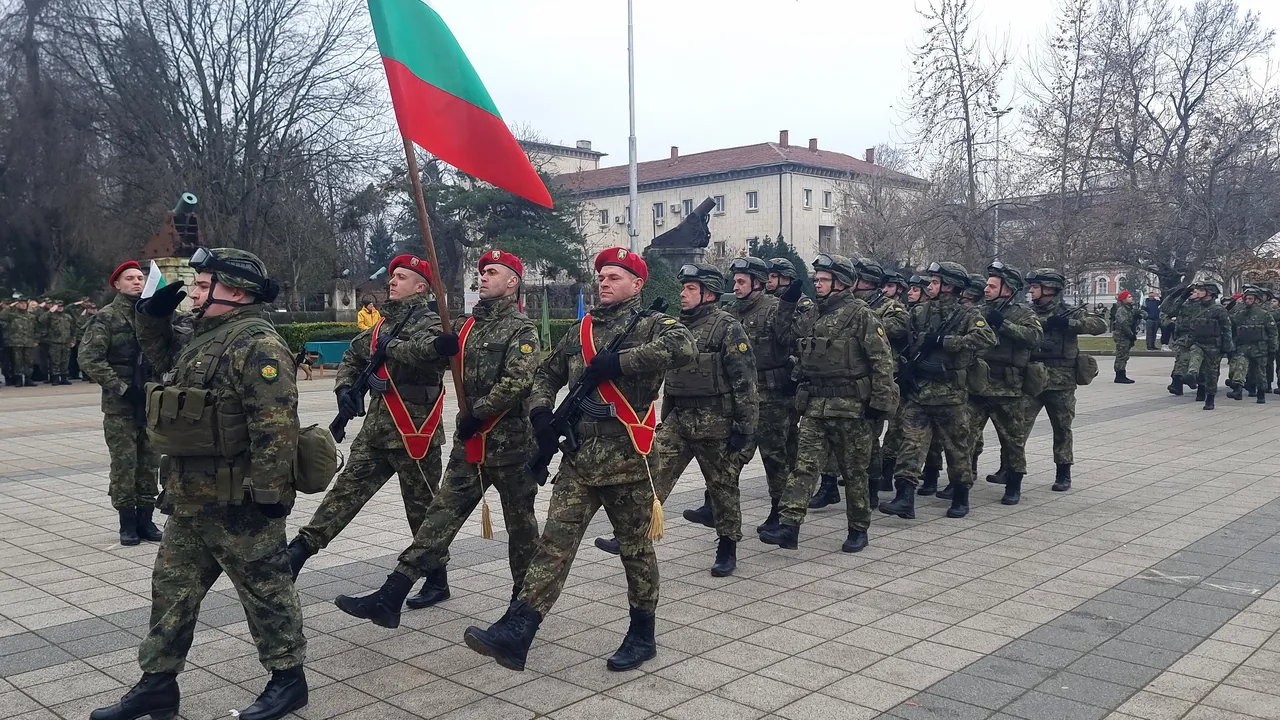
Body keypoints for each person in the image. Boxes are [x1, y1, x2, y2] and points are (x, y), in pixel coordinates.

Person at [92, 248, 308, 720]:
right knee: (171, 589)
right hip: (190, 495)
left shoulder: (258, 344)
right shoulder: (203, 336)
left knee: (265, 590)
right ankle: (157, 684)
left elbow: (275, 426)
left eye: (203, 283)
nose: (193, 290)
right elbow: (164, 355)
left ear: (236, 291)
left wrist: (272, 494)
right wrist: (151, 315)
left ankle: (288, 680)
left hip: (240, 497)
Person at [461, 247, 694, 673]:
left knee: (635, 550)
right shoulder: (581, 329)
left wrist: (619, 363)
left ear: (637, 285)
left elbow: (684, 346)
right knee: (554, 545)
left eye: (615, 277)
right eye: (602, 276)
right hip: (580, 458)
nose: (605, 282)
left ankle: (642, 634)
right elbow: (546, 375)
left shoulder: (652, 325)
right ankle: (520, 630)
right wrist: (541, 413)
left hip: (629, 459)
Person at [333, 250, 542, 628]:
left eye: (492, 272)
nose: (483, 277)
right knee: (437, 519)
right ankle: (392, 593)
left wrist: (478, 411)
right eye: (481, 272)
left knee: (521, 530)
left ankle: (520, 607)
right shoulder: (462, 326)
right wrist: (413, 347)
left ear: (512, 281)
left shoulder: (522, 330)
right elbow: (423, 351)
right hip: (470, 446)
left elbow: (519, 381)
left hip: (509, 445)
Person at [287, 254, 458, 608]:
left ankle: (437, 580)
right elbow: (354, 354)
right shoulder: (382, 326)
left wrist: (389, 347)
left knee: (423, 511)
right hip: (376, 432)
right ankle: (297, 554)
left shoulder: (432, 323)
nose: (391, 282)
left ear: (421, 286)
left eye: (400, 277)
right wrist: (345, 391)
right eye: (391, 276)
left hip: (415, 433)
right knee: (344, 495)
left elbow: (427, 353)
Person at [626, 263, 757, 576]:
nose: (682, 294)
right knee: (652, 475)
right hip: (679, 420)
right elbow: (671, 378)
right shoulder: (676, 328)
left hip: (717, 423)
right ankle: (632, 536)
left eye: (690, 289)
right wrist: (665, 417)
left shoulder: (727, 327)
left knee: (723, 489)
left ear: (708, 293)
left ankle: (727, 546)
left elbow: (745, 381)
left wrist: (745, 429)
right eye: (682, 288)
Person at [760, 255, 898, 550]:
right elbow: (785, 337)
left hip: (851, 408)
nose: (817, 284)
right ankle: (789, 526)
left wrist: (879, 405)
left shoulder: (861, 315)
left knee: (854, 472)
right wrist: (787, 303)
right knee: (804, 467)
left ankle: (858, 528)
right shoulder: (814, 314)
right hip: (815, 406)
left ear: (841, 283)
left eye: (823, 279)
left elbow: (882, 362)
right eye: (817, 279)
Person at [880, 262, 995, 521]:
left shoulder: (968, 315)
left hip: (950, 394)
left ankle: (961, 496)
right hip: (919, 392)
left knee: (957, 448)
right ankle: (905, 497)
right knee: (910, 445)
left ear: (949, 286)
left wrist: (946, 341)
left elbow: (987, 338)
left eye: (934, 282)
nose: (928, 286)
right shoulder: (919, 311)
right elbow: (902, 335)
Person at [720, 257, 809, 535]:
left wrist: (788, 307)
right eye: (734, 281)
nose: (735, 286)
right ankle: (719, 511)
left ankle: (778, 511)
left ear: (757, 284)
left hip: (772, 397)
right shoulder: (730, 312)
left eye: (741, 282)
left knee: (775, 457)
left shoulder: (774, 309)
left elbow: (790, 340)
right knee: (731, 456)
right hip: (741, 397)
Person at [79, 262, 163, 545]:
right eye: (130, 278)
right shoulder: (107, 318)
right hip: (121, 406)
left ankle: (146, 520)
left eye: (140, 278)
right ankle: (127, 522)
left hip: (152, 400)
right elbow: (90, 359)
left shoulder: (153, 315)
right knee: (125, 465)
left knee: (150, 463)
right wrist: (123, 388)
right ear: (117, 284)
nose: (137, 282)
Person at [1024, 269, 1107, 491]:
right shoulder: (1027, 312)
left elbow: (1100, 326)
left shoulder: (1068, 312)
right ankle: (1010, 469)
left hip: (1061, 381)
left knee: (1062, 428)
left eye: (1035, 286)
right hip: (1032, 378)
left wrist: (1068, 324)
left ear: (1049, 289)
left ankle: (1063, 473)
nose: (1031, 291)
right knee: (1017, 427)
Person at [971, 263, 1042, 505]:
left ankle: (1013, 485)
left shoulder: (1023, 313)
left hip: (1008, 387)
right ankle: (961, 481)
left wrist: (1003, 324)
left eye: (992, 285)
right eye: (986, 284)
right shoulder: (979, 310)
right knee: (965, 435)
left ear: (1007, 289)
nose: (986, 288)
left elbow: (1034, 338)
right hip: (979, 384)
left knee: (1012, 439)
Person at [1181, 281, 1233, 410]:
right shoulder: (1194, 306)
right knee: (1195, 357)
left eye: (1201, 290)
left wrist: (1227, 347)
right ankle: (1191, 375)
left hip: (1213, 346)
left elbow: (1226, 329)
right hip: (1197, 342)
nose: (1197, 292)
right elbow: (1191, 326)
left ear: (1210, 293)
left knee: (1212, 373)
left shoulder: (1219, 310)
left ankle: (1210, 398)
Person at [1225, 286, 1276, 404]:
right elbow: (1229, 321)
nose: (1247, 301)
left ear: (1257, 300)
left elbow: (1273, 333)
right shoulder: (1240, 314)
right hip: (1243, 347)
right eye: (1246, 299)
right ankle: (1237, 389)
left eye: (1250, 299)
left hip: (1260, 348)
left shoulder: (1265, 315)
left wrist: (1272, 348)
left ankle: (1261, 394)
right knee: (1240, 367)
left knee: (1260, 372)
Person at [3, 298, 38, 386]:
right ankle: (18, 379)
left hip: (29, 342)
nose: (23, 305)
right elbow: (2, 316)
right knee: (17, 362)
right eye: (21, 303)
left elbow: (37, 329)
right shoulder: (12, 315)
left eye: (24, 303)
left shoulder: (31, 316)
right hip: (16, 342)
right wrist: (10, 307)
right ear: (17, 305)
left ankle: (28, 379)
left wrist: (36, 340)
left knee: (29, 362)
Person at [41, 302, 76, 385]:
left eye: (61, 306)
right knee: (55, 361)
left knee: (65, 361)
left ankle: (64, 377)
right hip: (55, 342)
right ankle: (55, 378)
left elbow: (73, 329)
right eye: (58, 306)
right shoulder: (51, 316)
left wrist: (73, 339)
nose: (60, 308)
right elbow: (41, 320)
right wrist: (51, 311)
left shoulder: (67, 317)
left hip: (66, 342)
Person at [1111, 290, 1140, 383]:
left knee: (1124, 355)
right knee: (1121, 355)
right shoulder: (1121, 310)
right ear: (1123, 300)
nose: (1131, 298)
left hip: (1126, 336)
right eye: (1129, 297)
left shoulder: (1129, 309)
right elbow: (1123, 324)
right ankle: (1119, 376)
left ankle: (1122, 374)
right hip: (1122, 336)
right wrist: (1130, 334)